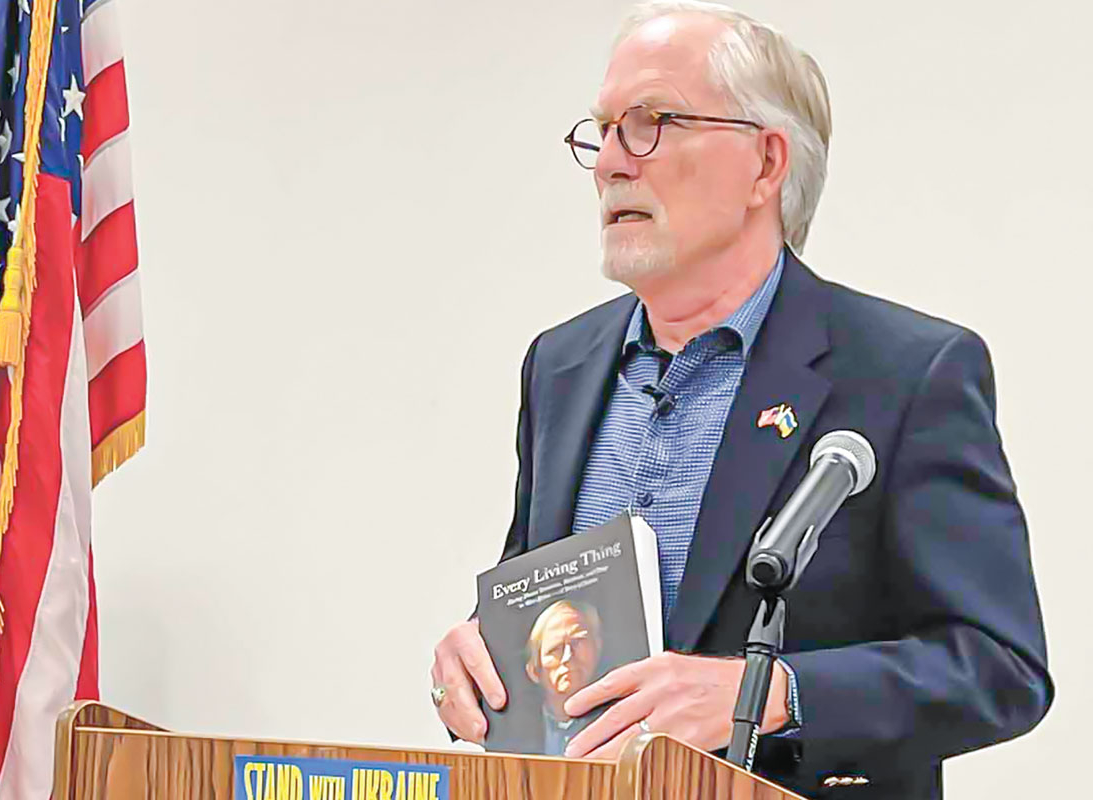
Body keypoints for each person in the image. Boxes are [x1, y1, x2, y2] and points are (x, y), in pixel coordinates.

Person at [428, 2, 1051, 797]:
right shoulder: (561, 366)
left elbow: (999, 668)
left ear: (765, 164)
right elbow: (541, 600)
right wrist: (475, 661)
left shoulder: (907, 373)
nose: (612, 162)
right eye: (604, 129)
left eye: (650, 122)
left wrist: (770, 696)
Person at [524, 600, 604, 755]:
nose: (568, 656)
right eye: (556, 649)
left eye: (578, 642)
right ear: (534, 670)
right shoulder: (519, 733)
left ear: (597, 646)